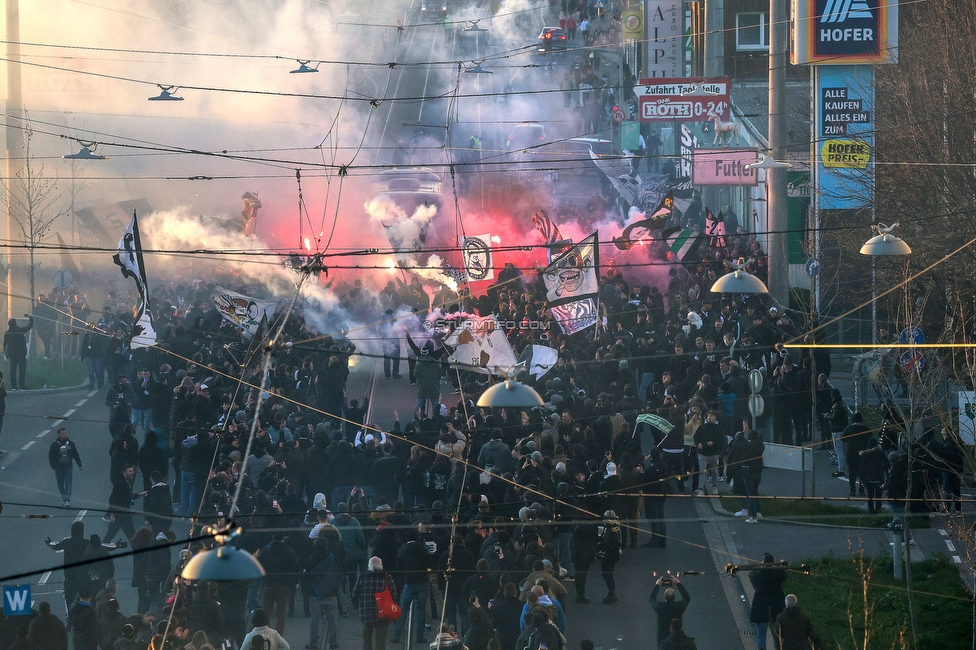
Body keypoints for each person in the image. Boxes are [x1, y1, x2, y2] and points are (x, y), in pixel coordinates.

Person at [256, 531, 302, 635]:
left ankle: (265, 634)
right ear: (284, 538)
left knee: (266, 611)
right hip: (284, 585)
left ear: (273, 537)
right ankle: (278, 636)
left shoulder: (265, 549)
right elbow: (295, 567)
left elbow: (259, 564)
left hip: (268, 584)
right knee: (281, 613)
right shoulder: (288, 551)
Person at [352, 557, 399, 650]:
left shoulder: (363, 577)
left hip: (366, 612)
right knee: (381, 640)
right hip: (383, 612)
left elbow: (354, 593)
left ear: (369, 565)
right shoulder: (386, 577)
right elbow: (394, 593)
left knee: (367, 639)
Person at [305, 537, 341, 650]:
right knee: (332, 620)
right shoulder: (332, 557)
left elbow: (306, 577)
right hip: (331, 594)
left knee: (315, 621)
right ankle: (333, 643)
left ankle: (313, 644)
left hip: (315, 594)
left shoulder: (310, 559)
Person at [46, 521, 89, 611]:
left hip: (69, 576)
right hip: (82, 576)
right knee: (84, 600)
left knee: (69, 600)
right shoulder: (86, 543)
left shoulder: (67, 542)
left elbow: (56, 546)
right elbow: (100, 547)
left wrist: (49, 542)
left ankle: (70, 618)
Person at [749, 554, 786, 650]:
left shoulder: (760, 575)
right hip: (776, 607)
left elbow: (753, 579)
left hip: (761, 608)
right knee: (777, 635)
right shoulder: (777, 575)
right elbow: (783, 575)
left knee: (761, 636)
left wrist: (759, 569)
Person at [105, 465, 145, 542]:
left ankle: (100, 549)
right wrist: (112, 514)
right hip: (120, 515)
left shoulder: (125, 483)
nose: (133, 472)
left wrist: (139, 495)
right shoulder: (120, 484)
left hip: (121, 516)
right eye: (130, 471)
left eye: (133, 471)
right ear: (124, 472)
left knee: (111, 535)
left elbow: (127, 496)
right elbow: (112, 499)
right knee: (132, 536)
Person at [649, 575, 691, 646]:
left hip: (663, 640)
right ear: (675, 597)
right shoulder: (678, 607)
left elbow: (651, 599)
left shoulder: (660, 607)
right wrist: (678, 583)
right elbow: (687, 597)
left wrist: (657, 585)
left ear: (664, 597)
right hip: (677, 641)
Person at [48, 427, 82, 507]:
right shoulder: (54, 445)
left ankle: (66, 500)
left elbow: (75, 455)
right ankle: (64, 497)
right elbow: (51, 457)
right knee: (60, 484)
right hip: (58, 468)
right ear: (59, 434)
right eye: (63, 433)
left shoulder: (71, 444)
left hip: (68, 467)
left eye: (65, 433)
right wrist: (54, 467)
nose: (65, 435)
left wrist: (79, 464)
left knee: (68, 484)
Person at [595, 510, 621, 604]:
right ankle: (611, 593)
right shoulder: (617, 527)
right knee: (609, 574)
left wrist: (598, 546)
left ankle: (612, 593)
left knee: (607, 574)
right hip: (614, 554)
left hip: (608, 555)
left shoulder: (608, 528)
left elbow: (606, 543)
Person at [4, 314, 32, 390]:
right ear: (15, 324)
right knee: (22, 370)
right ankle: (22, 386)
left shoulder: (7, 333)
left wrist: (6, 353)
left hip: (12, 354)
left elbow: (4, 344)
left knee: (13, 370)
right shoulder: (20, 331)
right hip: (21, 354)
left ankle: (14, 386)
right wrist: (30, 318)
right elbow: (30, 326)